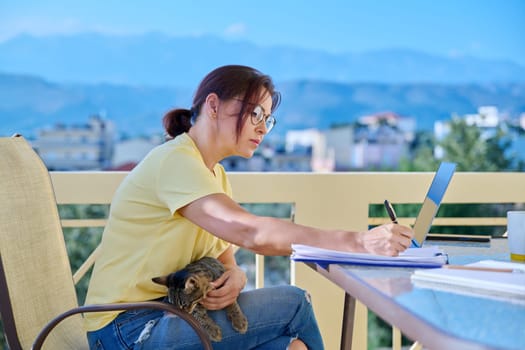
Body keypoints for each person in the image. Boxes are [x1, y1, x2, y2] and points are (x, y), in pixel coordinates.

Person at [84, 64, 414, 350]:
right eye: (255, 113)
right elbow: (250, 231)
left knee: (289, 346)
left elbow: (226, 258)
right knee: (294, 303)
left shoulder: (214, 175)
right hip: (126, 330)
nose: (262, 126)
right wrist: (361, 242)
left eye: (268, 119)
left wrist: (237, 277)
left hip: (171, 316)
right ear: (213, 106)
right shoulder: (175, 161)